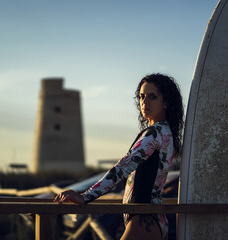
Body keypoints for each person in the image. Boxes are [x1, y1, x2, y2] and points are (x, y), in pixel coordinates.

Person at [54, 73, 184, 240]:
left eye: (152, 97)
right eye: (142, 97)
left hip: (143, 220)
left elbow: (122, 168)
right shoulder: (166, 133)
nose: (145, 102)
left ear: (166, 102)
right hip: (151, 219)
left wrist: (85, 196)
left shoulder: (155, 133)